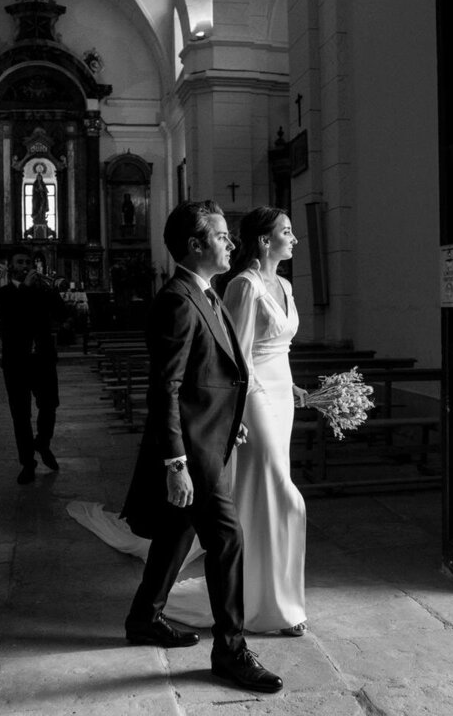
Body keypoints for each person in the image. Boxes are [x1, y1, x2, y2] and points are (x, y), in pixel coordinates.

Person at [119, 200, 283, 694]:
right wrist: (176, 463)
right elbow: (165, 389)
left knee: (176, 531)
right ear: (195, 245)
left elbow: (210, 377)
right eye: (221, 235)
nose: (232, 243)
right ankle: (229, 652)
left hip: (211, 441)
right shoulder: (177, 300)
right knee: (227, 540)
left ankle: (144, 617)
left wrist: (231, 422)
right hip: (192, 453)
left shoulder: (206, 293)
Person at [219, 206, 309, 636]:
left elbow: (279, 349)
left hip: (281, 393)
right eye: (286, 232)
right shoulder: (243, 286)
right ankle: (269, 604)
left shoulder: (286, 285)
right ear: (263, 240)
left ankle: (272, 599)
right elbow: (237, 356)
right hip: (253, 396)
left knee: (262, 495)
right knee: (285, 495)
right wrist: (244, 406)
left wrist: (290, 387)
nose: (293, 239)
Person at [0, 248, 64, 484]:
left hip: (43, 358)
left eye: (28, 262)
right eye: (20, 262)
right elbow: (9, 314)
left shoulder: (42, 289)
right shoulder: (4, 293)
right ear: (11, 266)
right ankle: (27, 463)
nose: (25, 266)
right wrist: (26, 289)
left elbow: (61, 315)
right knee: (20, 414)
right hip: (16, 362)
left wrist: (52, 291)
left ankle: (42, 443)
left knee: (50, 404)